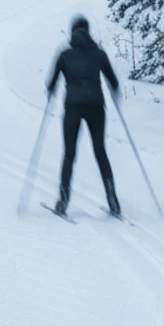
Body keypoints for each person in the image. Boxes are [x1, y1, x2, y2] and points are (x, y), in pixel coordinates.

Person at [45, 15, 122, 217]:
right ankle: (113, 201)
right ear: (88, 32)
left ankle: (62, 202)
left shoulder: (64, 55)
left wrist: (52, 92)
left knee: (69, 154)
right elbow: (113, 82)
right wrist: (114, 93)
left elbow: (51, 84)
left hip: (73, 108)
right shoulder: (99, 54)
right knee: (100, 152)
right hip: (96, 108)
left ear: (72, 32)